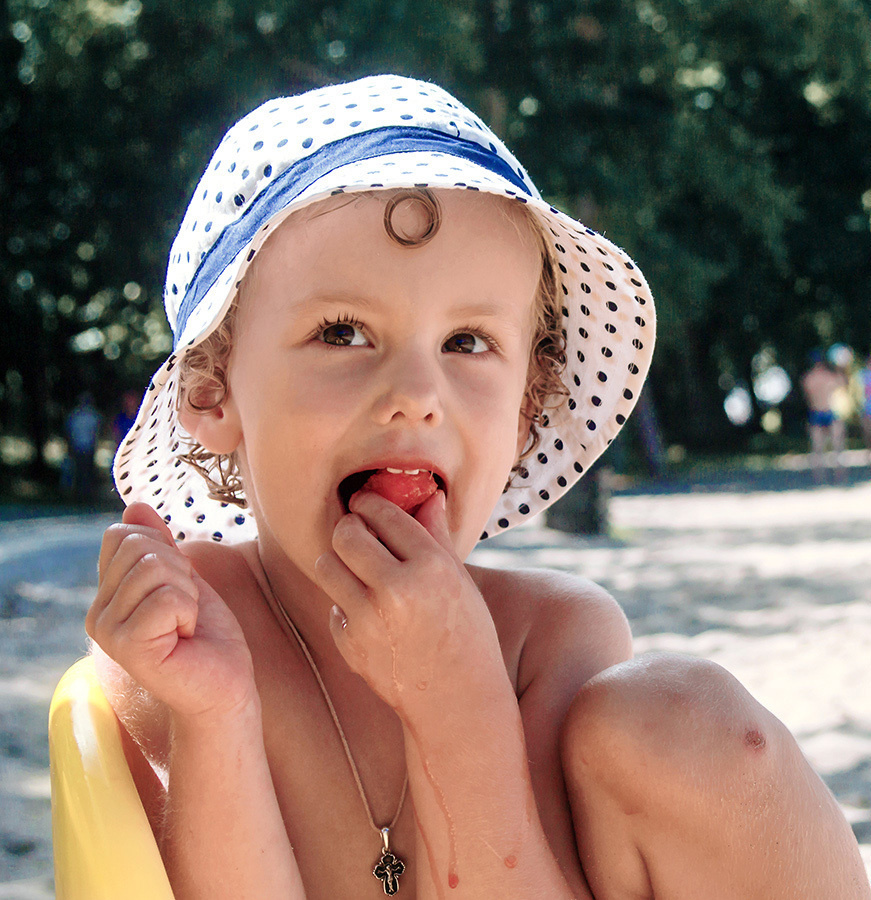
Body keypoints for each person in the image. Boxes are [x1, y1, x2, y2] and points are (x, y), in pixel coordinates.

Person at [84, 76, 869, 899]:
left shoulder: (549, 639)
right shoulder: (185, 635)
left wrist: (455, 702)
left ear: (526, 405)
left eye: (467, 340)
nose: (417, 391)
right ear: (213, 393)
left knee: (686, 715)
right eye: (342, 333)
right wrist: (214, 718)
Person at [801, 349, 849, 483]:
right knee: (838, 446)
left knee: (817, 449)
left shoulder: (807, 379)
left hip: (815, 413)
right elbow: (844, 383)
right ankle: (841, 477)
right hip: (830, 412)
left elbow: (807, 398)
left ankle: (819, 479)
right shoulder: (830, 377)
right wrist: (841, 367)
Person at [65, 391, 102, 502]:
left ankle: (84, 495)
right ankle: (81, 496)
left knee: (83, 472)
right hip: (83, 447)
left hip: (84, 447)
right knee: (82, 472)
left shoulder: (77, 415)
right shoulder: (89, 415)